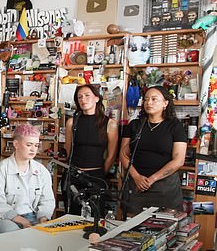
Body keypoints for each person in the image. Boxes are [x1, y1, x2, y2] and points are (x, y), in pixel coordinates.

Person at [120, 86, 186, 215]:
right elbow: (123, 154)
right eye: (146, 99)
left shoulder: (175, 126)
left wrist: (152, 179)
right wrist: (137, 177)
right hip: (136, 186)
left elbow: (178, 160)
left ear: (165, 103)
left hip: (165, 187)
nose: (149, 102)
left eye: (154, 99)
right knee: (132, 229)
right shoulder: (135, 125)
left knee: (166, 229)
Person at [0, 123, 54, 235]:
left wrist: (43, 219)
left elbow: (47, 201)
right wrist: (22, 221)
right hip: (5, 218)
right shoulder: (0, 170)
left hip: (34, 216)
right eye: (29, 145)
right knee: (10, 231)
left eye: (36, 145)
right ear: (16, 144)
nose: (33, 149)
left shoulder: (41, 171)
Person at [64, 84, 118, 215]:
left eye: (87, 95)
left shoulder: (110, 124)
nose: (83, 100)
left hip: (96, 177)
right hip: (73, 176)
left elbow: (111, 155)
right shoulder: (72, 122)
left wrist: (99, 173)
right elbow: (68, 149)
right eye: (80, 97)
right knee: (71, 217)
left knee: (95, 217)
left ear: (97, 98)